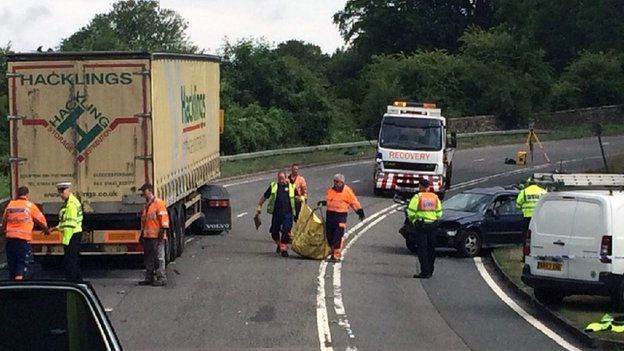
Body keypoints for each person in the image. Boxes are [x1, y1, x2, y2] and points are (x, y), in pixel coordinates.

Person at [2, 186, 49, 280]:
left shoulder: (10, 205)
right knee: (21, 265)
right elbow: (41, 221)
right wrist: (46, 230)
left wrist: (5, 232)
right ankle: (19, 288)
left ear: (17, 195)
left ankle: (11, 289)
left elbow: (4, 222)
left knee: (12, 265)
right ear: (27, 195)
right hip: (22, 241)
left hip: (10, 240)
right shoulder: (29, 206)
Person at [322, 173, 365, 262]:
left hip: (340, 216)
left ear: (342, 182)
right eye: (334, 181)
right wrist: (324, 203)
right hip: (330, 215)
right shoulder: (330, 190)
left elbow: (354, 202)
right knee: (330, 235)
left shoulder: (347, 191)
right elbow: (331, 201)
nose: (335, 183)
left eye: (337, 182)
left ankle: (337, 255)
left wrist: (359, 211)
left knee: (337, 235)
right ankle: (332, 252)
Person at [257, 172, 298, 257]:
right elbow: (265, 196)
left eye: (282, 178)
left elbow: (297, 197)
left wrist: (301, 200)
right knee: (274, 232)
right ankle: (279, 244)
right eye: (279, 178)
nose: (281, 180)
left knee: (286, 230)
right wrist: (259, 205)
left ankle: (284, 248)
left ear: (286, 178)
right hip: (277, 213)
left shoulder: (291, 187)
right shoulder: (274, 186)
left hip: (288, 213)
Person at [407, 179, 443, 279]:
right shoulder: (434, 197)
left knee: (422, 249)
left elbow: (410, 212)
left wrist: (414, 220)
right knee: (431, 249)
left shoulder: (417, 197)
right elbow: (439, 212)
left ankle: (424, 272)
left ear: (420, 187)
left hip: (421, 226)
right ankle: (430, 271)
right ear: (428, 187)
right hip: (433, 226)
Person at [138, 183, 170, 287]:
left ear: (150, 191)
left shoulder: (158, 203)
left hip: (157, 237)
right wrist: (142, 234)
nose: (143, 194)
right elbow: (145, 222)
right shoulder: (147, 206)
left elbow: (164, 218)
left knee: (158, 258)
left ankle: (161, 278)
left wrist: (162, 230)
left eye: (144, 191)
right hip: (148, 237)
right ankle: (149, 277)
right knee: (149, 258)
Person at [56, 182, 84, 282]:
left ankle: (73, 282)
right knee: (73, 261)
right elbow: (65, 220)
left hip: (72, 235)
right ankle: (78, 281)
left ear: (68, 190)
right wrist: (56, 228)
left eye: (63, 191)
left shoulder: (71, 204)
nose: (61, 194)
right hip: (74, 234)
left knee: (71, 261)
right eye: (59, 192)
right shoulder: (69, 202)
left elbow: (69, 225)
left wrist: (66, 240)